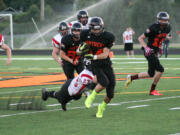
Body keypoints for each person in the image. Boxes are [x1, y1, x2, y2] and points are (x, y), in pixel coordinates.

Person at [125, 11, 171, 96]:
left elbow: (162, 38)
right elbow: (140, 38)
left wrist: (160, 47)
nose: (164, 22)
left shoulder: (168, 28)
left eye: (165, 20)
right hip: (149, 51)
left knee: (150, 74)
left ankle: (131, 78)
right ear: (158, 20)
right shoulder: (153, 27)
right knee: (160, 69)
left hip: (155, 51)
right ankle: (152, 90)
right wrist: (146, 48)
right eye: (162, 20)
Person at [80, 17, 116, 118]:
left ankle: (101, 107)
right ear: (90, 28)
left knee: (110, 94)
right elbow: (80, 48)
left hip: (105, 63)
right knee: (104, 82)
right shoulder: (85, 34)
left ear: (102, 27)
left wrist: (94, 56)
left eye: (98, 28)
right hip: (95, 63)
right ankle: (91, 97)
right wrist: (81, 51)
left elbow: (105, 54)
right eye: (94, 29)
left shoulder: (108, 37)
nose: (96, 31)